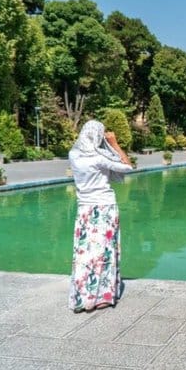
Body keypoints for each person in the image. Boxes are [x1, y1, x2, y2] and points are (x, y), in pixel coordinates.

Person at [68, 120, 133, 313]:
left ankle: (82, 296)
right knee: (104, 250)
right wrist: (114, 144)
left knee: (84, 252)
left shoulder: (73, 155)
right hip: (104, 209)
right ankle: (101, 296)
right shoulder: (99, 158)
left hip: (84, 210)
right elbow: (127, 166)